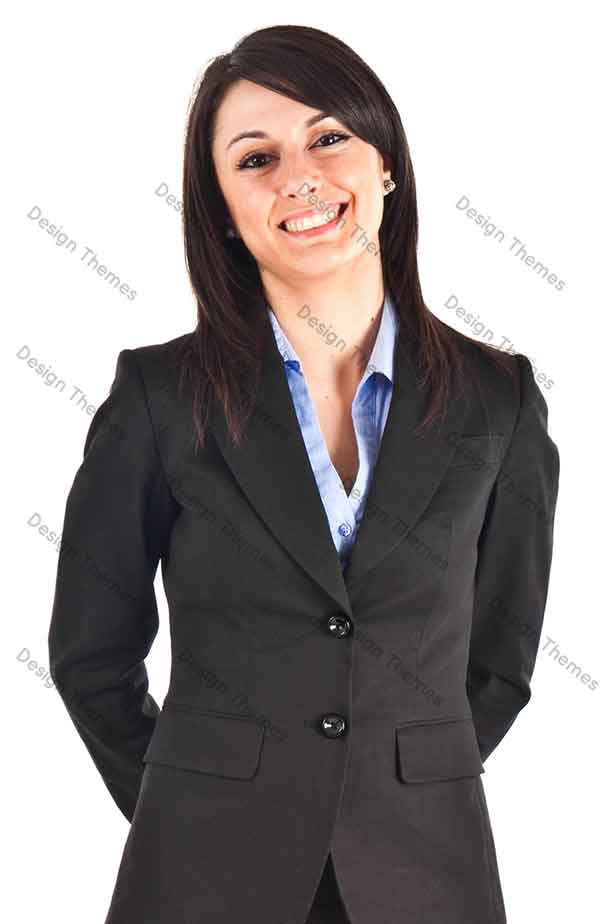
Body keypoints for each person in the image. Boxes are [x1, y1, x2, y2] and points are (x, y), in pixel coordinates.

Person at [48, 24, 560, 924]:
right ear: (221, 207)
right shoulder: (160, 397)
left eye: (328, 137)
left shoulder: (498, 398)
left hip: (426, 877)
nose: (299, 177)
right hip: (202, 878)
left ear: (385, 164)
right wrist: (193, 804)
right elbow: (91, 657)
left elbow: (502, 657)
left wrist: (383, 797)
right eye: (256, 159)